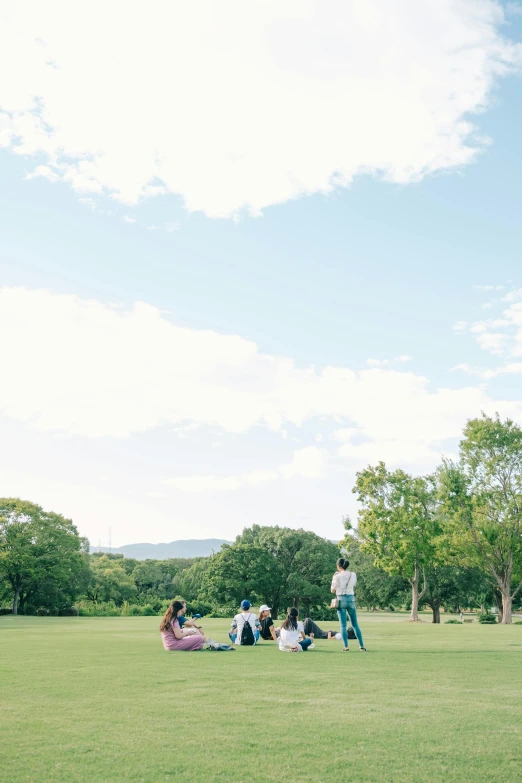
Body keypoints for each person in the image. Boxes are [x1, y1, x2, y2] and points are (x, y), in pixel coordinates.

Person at [160, 600, 234, 651]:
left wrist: (189, 631)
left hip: (168, 645)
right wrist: (188, 632)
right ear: (178, 610)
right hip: (173, 645)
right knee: (198, 638)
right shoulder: (174, 620)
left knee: (194, 634)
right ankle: (214, 645)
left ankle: (212, 644)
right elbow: (178, 636)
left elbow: (175, 632)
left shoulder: (168, 618)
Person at [331, 558, 366, 652]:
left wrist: (333, 578)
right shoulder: (352, 574)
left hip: (341, 599)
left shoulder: (337, 576)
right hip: (351, 599)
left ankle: (346, 646)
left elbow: (332, 590)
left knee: (343, 625)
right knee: (355, 624)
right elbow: (353, 585)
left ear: (339, 566)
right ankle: (361, 646)